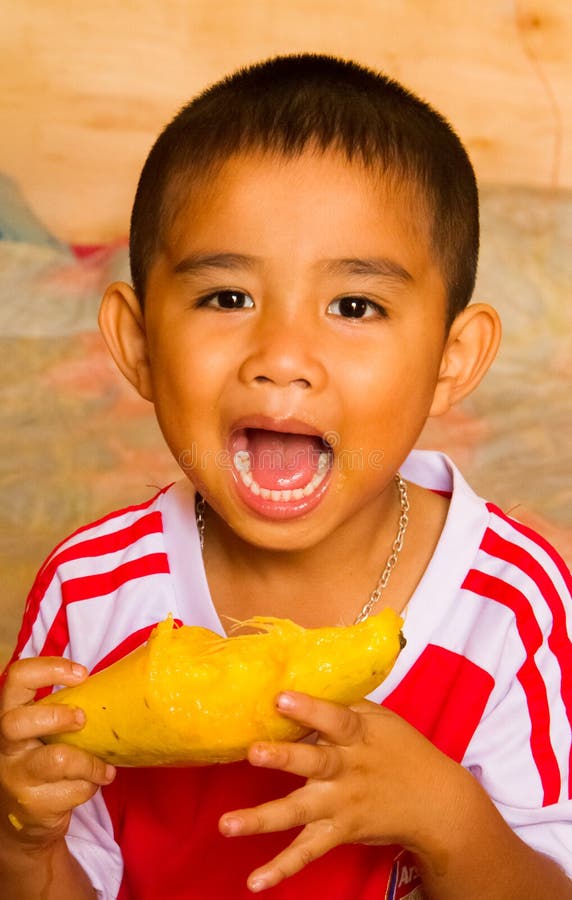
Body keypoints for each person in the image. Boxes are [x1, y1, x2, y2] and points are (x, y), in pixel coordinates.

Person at [0, 53, 570, 900]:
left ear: (453, 360)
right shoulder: (89, 593)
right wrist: (22, 843)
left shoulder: (509, 601)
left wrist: (448, 818)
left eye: (355, 306)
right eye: (227, 297)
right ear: (137, 344)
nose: (283, 360)